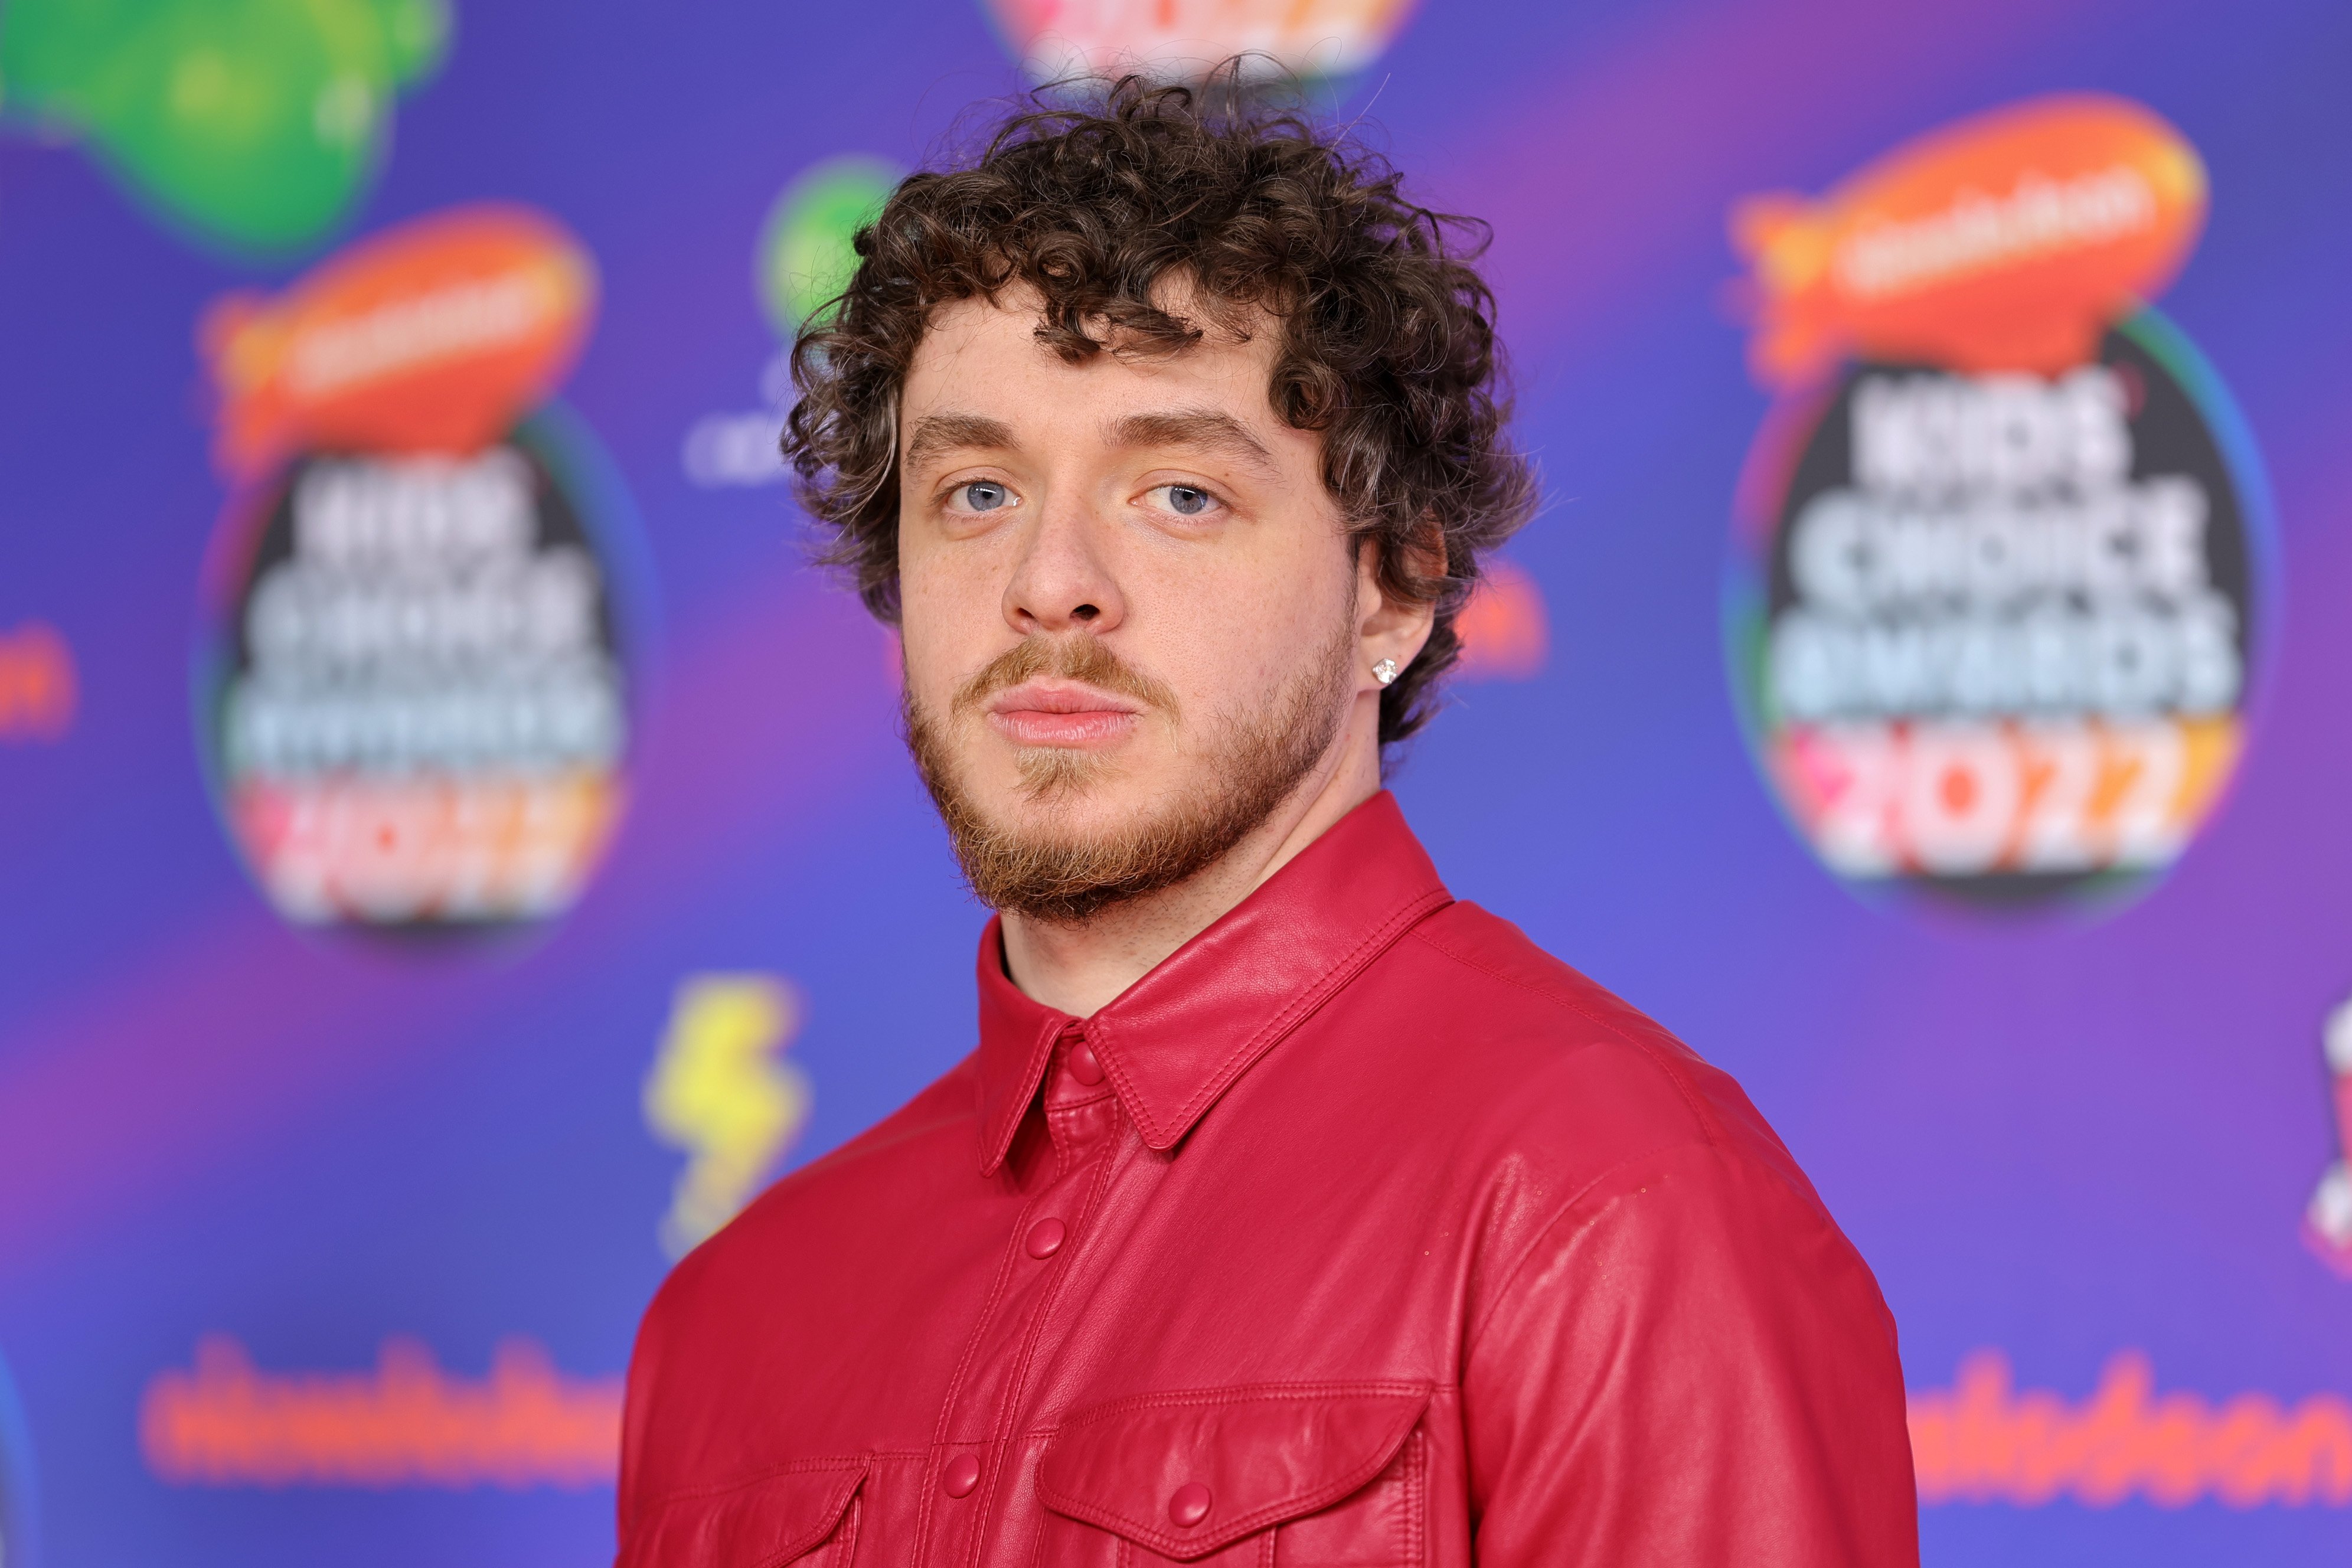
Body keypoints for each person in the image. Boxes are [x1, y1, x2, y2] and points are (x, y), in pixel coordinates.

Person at [618, 73, 1919, 1567]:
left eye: (1177, 492)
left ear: (1396, 582)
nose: (1052, 580)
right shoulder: (728, 1321)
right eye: (976, 491)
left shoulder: (1612, 1209)